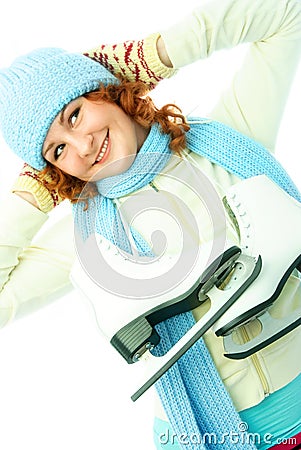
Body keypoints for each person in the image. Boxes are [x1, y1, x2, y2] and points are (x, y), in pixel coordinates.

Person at [0, 0, 301, 448]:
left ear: (106, 91)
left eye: (74, 115)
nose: (80, 148)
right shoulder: (86, 240)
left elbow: (287, 14)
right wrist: (34, 192)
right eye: (56, 151)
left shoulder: (228, 138)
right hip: (205, 434)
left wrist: (152, 54)